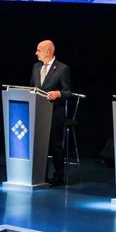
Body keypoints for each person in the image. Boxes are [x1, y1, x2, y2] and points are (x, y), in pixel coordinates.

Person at [29, 40, 72, 187]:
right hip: (38, 113)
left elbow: (68, 92)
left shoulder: (62, 68)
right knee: (39, 145)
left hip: (54, 113)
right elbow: (32, 88)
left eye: (38, 50)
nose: (36, 53)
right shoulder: (36, 67)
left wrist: (58, 93)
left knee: (55, 145)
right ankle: (42, 175)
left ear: (48, 52)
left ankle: (58, 176)